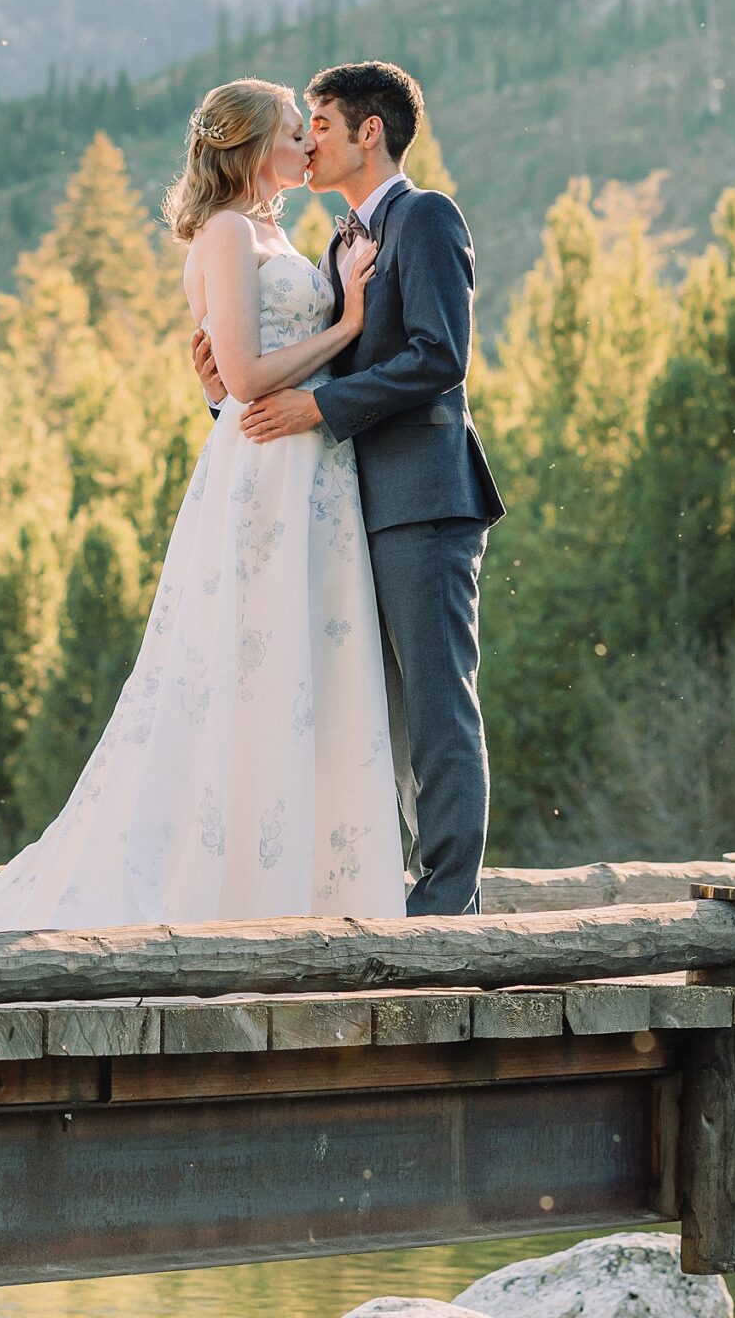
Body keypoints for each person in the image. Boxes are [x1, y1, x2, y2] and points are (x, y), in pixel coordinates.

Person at [0, 76, 406, 934]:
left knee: (305, 664)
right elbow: (243, 377)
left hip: (315, 471)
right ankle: (227, 885)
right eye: (294, 131)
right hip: (264, 470)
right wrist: (348, 323)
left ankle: (307, 883)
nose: (308, 143)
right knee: (246, 663)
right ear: (253, 146)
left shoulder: (283, 233)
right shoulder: (223, 232)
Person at [209, 59, 504, 915]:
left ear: (368, 132)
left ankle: (446, 910)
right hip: (342, 505)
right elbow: (306, 372)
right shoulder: (339, 245)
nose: (309, 144)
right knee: (362, 710)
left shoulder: (425, 218)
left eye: (323, 127)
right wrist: (229, 396)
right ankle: (375, 883)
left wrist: (317, 406)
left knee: (437, 704)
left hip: (422, 497)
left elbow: (439, 356)